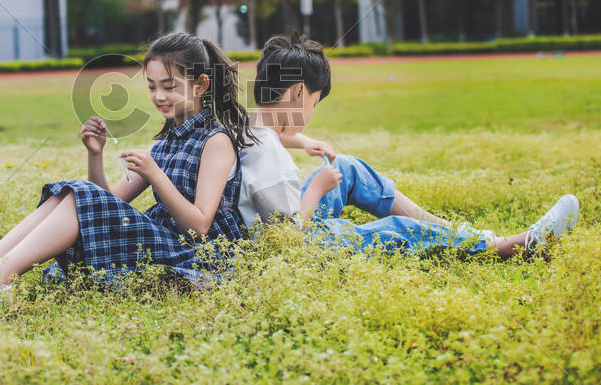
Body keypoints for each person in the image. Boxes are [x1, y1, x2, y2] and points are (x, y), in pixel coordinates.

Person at [0, 32, 255, 307]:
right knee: (70, 191)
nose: (159, 96)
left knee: (80, 195)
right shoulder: (164, 143)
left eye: (170, 86)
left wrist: (156, 176)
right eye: (152, 86)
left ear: (200, 85)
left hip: (198, 256)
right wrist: (96, 155)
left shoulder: (216, 140)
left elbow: (199, 226)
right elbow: (106, 201)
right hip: (165, 240)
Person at [238, 32, 579, 258]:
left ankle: (452, 230)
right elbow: (288, 237)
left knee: (347, 167)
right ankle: (508, 246)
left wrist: (305, 141)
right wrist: (317, 191)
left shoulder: (251, 126)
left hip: (282, 223)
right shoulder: (269, 156)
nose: (310, 113)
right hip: (303, 244)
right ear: (299, 92)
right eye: (313, 102)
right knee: (396, 230)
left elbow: (275, 133)